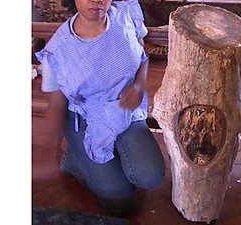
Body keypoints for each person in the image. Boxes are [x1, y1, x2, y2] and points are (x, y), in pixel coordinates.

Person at [35, 0, 165, 217]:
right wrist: (48, 151)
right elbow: (56, 105)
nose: (96, 1)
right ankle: (76, 160)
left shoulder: (125, 15)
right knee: (120, 203)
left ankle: (96, 161)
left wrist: (140, 84)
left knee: (150, 176)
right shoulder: (58, 50)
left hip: (125, 110)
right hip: (85, 120)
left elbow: (142, 54)